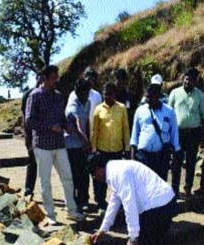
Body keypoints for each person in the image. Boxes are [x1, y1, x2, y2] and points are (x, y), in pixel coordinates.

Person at [89, 153, 178, 245]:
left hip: (157, 205)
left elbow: (129, 204)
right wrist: (103, 229)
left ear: (98, 169)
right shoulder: (115, 169)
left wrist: (133, 238)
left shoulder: (117, 173)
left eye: (94, 175)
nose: (96, 178)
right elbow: (115, 201)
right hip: (165, 200)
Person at [25, 65, 84, 223]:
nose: (56, 80)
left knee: (67, 177)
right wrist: (49, 126)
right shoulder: (35, 95)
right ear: (44, 78)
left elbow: (62, 118)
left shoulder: (58, 96)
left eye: (57, 77)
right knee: (45, 181)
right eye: (53, 77)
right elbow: (29, 120)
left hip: (59, 143)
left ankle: (72, 210)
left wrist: (68, 126)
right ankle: (50, 215)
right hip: (42, 144)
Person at [169, 68, 204, 198]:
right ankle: (174, 189)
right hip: (178, 133)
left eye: (191, 80)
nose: (188, 82)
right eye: (186, 79)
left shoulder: (199, 95)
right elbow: (168, 114)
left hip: (193, 133)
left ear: (195, 81)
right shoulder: (175, 93)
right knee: (176, 161)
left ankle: (187, 188)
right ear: (183, 79)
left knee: (191, 162)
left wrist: (203, 136)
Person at [91, 82, 130, 209]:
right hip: (102, 150)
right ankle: (101, 202)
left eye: (110, 94)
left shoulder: (122, 108)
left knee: (116, 179)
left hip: (117, 150)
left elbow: (125, 129)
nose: (107, 96)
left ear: (115, 94)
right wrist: (94, 148)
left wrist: (127, 148)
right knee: (101, 178)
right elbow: (94, 131)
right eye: (105, 94)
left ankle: (116, 203)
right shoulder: (98, 109)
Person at [131, 84, 180, 180]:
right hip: (143, 156)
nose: (147, 100)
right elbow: (134, 136)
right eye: (146, 97)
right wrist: (133, 158)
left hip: (161, 157)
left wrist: (175, 157)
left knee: (159, 186)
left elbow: (174, 136)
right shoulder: (140, 111)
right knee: (143, 185)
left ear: (158, 96)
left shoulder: (169, 112)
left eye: (150, 97)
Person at [65, 79, 91, 210]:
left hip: (81, 144)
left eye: (88, 93)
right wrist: (86, 141)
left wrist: (88, 138)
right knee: (75, 174)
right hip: (72, 146)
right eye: (84, 94)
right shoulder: (72, 106)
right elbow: (77, 127)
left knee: (84, 174)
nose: (86, 96)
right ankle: (74, 202)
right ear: (78, 93)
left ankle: (84, 200)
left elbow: (86, 123)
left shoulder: (88, 102)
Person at [21, 74, 42, 198]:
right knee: (32, 162)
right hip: (32, 134)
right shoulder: (28, 94)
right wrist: (27, 137)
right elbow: (25, 118)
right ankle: (29, 189)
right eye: (40, 78)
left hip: (46, 135)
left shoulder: (51, 94)